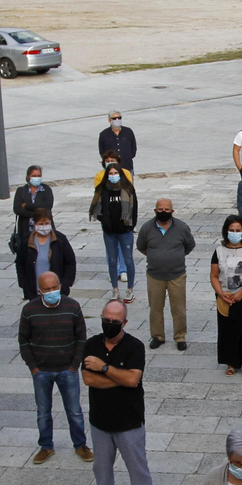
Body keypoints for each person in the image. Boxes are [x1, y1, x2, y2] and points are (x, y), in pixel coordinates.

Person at [80, 299, 161, 485]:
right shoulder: (92, 345)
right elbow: (88, 379)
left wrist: (104, 368)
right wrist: (119, 378)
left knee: (138, 468)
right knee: (101, 467)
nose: (109, 324)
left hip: (129, 421)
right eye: (106, 320)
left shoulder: (134, 346)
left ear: (124, 322)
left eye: (114, 321)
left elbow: (133, 380)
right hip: (100, 421)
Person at [19, 271, 88, 465]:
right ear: (39, 291)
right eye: (47, 289)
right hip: (41, 370)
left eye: (55, 287)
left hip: (68, 369)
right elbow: (23, 340)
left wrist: (75, 365)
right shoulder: (29, 310)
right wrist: (33, 367)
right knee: (43, 412)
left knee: (74, 410)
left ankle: (80, 445)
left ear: (60, 286)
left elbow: (81, 337)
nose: (52, 292)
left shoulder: (72, 307)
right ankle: (46, 446)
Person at [137, 197, 196, 351]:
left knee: (179, 309)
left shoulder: (182, 227)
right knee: (155, 308)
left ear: (172, 211)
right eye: (160, 210)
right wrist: (156, 257)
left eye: (167, 210)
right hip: (154, 276)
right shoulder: (146, 228)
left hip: (177, 275)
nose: (163, 212)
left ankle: (180, 336)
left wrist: (174, 257)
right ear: (155, 211)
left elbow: (189, 246)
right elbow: (141, 247)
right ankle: (157, 336)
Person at [212, 215, 242, 376]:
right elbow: (214, 275)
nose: (234, 233)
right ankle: (231, 362)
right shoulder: (219, 251)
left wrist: (241, 293)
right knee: (227, 330)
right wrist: (220, 293)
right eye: (231, 230)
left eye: (237, 230)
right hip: (225, 296)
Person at [89, 160, 137, 303]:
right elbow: (97, 209)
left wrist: (130, 226)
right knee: (112, 260)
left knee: (128, 260)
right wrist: (105, 222)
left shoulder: (128, 189)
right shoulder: (102, 190)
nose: (113, 175)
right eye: (111, 173)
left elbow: (134, 209)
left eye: (116, 173)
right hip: (109, 231)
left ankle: (130, 289)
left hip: (125, 230)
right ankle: (115, 289)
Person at [16, 209, 76, 302]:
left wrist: (66, 283)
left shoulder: (60, 239)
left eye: (46, 223)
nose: (44, 227)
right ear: (35, 224)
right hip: (34, 290)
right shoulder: (26, 240)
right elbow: (20, 262)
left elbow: (70, 261)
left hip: (57, 291)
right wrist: (24, 283)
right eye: (40, 224)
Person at [13, 165, 55, 240]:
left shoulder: (46, 189)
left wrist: (27, 206)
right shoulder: (21, 191)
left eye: (38, 176)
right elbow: (17, 209)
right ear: (29, 177)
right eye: (34, 176)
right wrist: (38, 213)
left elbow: (47, 206)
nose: (36, 178)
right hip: (26, 228)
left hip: (44, 229)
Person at [98, 111, 136, 176]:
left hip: (127, 167)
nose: (117, 120)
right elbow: (102, 152)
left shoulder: (128, 132)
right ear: (110, 120)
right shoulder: (103, 134)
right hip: (112, 170)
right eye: (114, 118)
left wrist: (127, 156)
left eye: (119, 118)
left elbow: (133, 148)